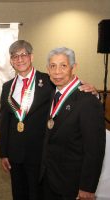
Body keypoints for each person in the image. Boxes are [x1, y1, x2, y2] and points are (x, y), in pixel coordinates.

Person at [0, 40, 97, 200]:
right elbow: (5, 120)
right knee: (18, 194)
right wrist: (3, 152)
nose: (19, 59)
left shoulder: (49, 80)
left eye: (23, 54)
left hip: (40, 154)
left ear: (31, 57)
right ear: (11, 61)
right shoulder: (7, 87)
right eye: (15, 56)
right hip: (15, 154)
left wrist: (93, 91)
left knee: (37, 194)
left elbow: (70, 93)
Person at [40, 47, 105, 200]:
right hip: (48, 178)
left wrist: (87, 188)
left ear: (73, 67)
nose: (57, 72)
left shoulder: (87, 101)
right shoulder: (51, 94)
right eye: (53, 66)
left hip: (72, 185)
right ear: (47, 69)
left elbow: (94, 150)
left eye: (63, 66)